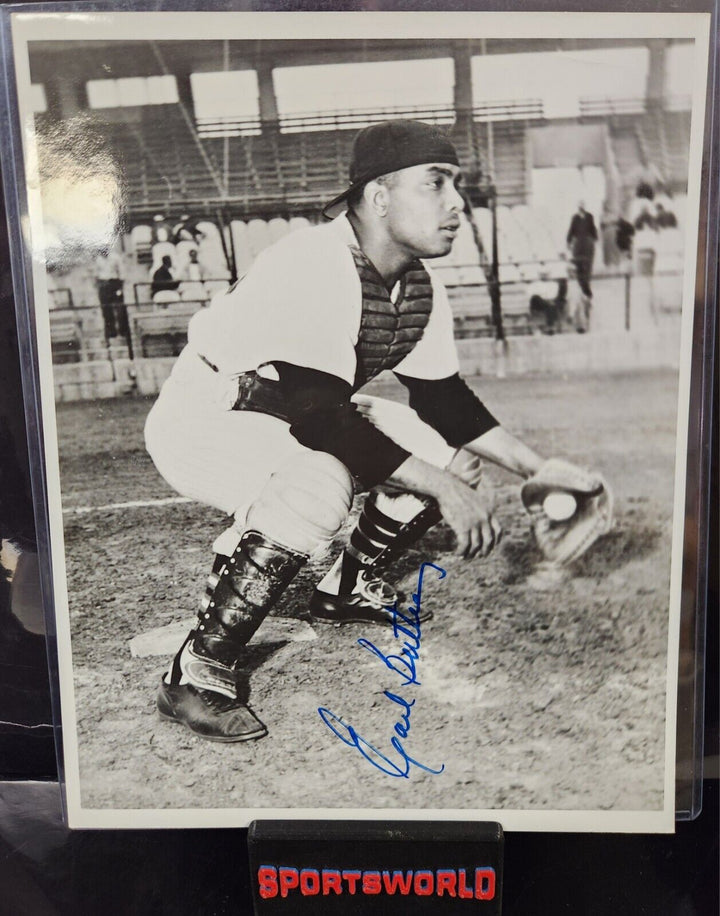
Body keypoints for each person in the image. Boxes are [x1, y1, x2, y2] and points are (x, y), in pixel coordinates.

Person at [144, 120, 588, 743]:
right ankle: (198, 671)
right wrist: (444, 490)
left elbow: (444, 400)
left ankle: (347, 586)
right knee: (323, 478)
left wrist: (537, 469)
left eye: (456, 185)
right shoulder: (314, 262)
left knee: (446, 455)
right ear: (380, 196)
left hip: (279, 413)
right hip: (205, 416)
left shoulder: (413, 284)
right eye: (436, 183)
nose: (457, 203)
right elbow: (323, 420)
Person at [566, 201, 597, 299]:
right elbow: (571, 231)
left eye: (583, 205)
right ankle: (584, 288)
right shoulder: (575, 218)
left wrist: (594, 239)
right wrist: (568, 241)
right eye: (580, 206)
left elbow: (593, 229)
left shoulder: (589, 216)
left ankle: (586, 288)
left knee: (587, 266)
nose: (581, 207)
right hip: (578, 245)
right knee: (578, 266)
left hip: (588, 244)